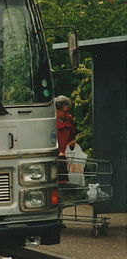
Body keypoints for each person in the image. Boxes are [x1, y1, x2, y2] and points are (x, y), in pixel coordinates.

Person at [55, 95, 77, 227]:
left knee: (61, 189)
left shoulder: (69, 120)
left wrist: (72, 144)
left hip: (64, 159)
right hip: (54, 157)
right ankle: (55, 218)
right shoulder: (50, 120)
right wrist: (57, 152)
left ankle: (57, 217)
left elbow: (72, 136)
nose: (67, 113)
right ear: (57, 110)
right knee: (55, 189)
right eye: (64, 111)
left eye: (68, 111)